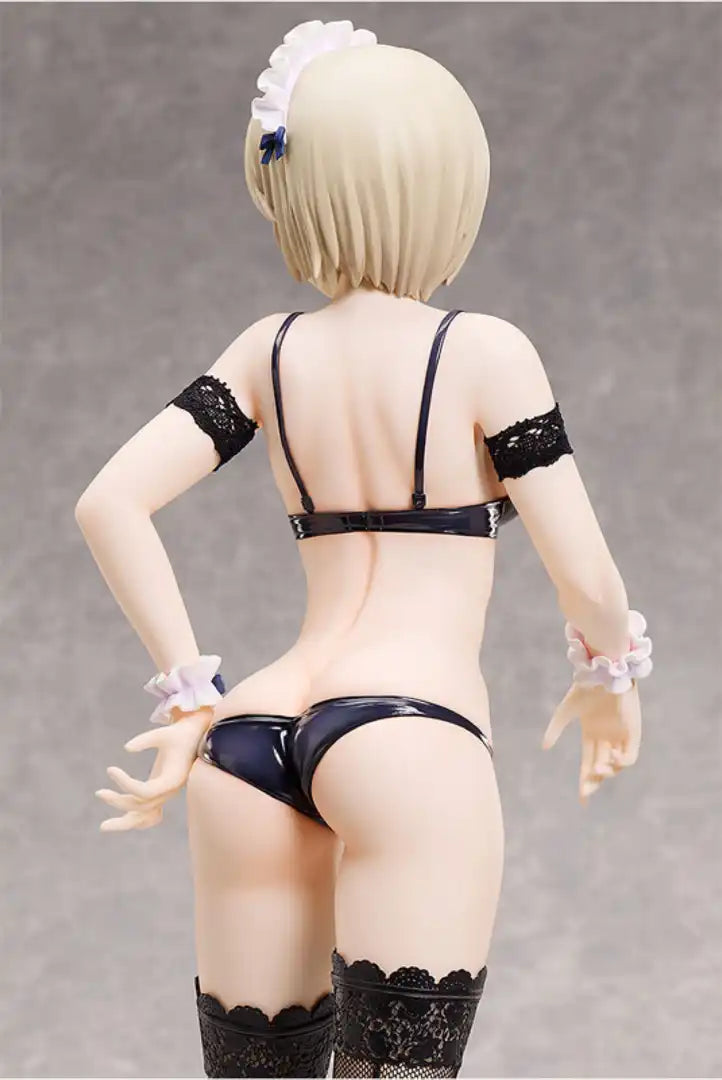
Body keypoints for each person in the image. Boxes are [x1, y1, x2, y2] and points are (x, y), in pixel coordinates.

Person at [75, 20, 653, 1079]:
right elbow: (587, 576)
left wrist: (191, 698)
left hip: (247, 739)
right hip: (408, 734)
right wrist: (609, 677)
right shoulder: (483, 351)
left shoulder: (266, 350)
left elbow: (110, 502)